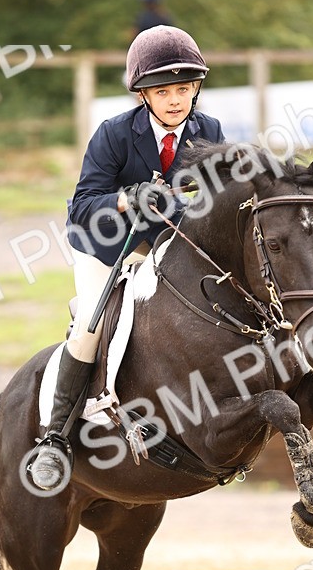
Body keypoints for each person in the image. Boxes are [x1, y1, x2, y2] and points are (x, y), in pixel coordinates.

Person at [29, 24, 224, 491]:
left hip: (172, 251)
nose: (175, 100)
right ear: (143, 95)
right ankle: (54, 437)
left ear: (195, 89)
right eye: (163, 91)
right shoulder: (114, 134)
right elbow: (81, 206)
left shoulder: (208, 130)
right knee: (92, 326)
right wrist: (127, 199)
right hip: (110, 249)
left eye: (183, 89)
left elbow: (218, 194)